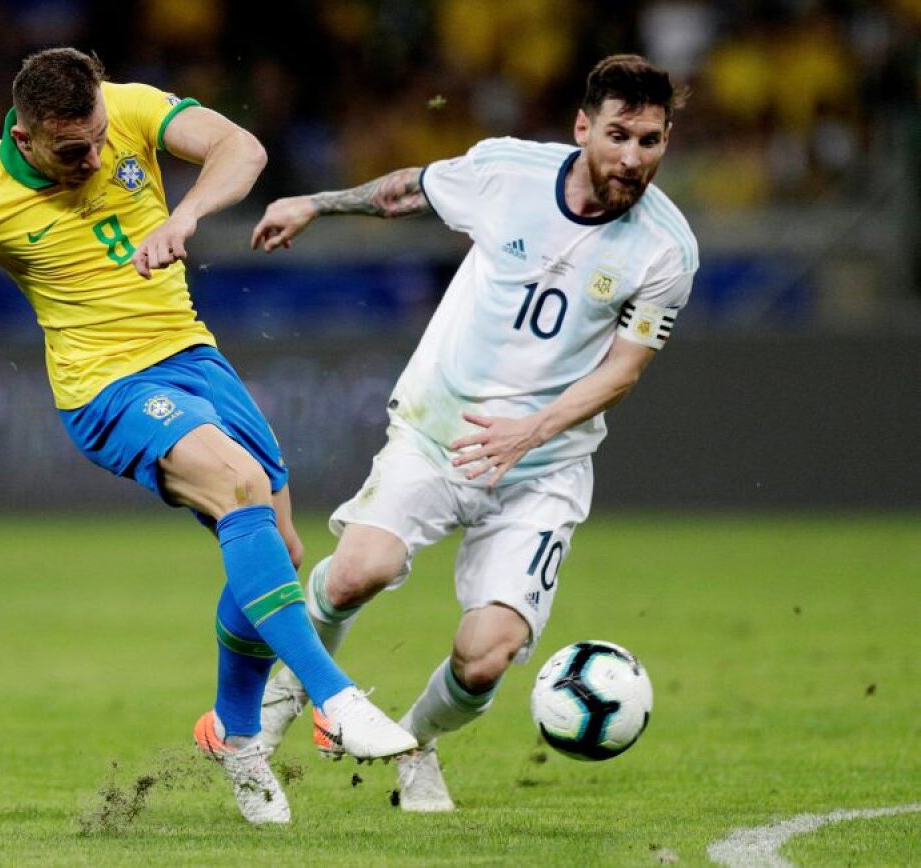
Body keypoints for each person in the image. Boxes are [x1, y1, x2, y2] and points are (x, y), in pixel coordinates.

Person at [0, 47, 416, 826]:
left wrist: (186, 213)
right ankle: (335, 697)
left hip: (194, 358)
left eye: (96, 138)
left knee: (280, 555)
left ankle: (232, 731)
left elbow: (243, 148)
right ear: (23, 138)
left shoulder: (124, 107)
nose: (93, 157)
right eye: (70, 150)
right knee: (240, 488)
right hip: (106, 388)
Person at [250, 54, 696, 812]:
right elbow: (408, 191)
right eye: (618, 134)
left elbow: (622, 371)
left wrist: (532, 432)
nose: (631, 157)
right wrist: (317, 204)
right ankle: (272, 717)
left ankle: (415, 743)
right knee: (358, 570)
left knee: (485, 657)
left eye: (650, 141)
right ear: (583, 126)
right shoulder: (507, 173)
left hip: (544, 467)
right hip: (438, 430)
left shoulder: (667, 250)